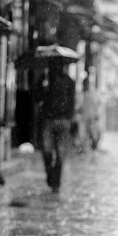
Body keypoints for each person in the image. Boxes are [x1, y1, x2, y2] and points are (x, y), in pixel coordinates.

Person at [37, 63, 75, 193]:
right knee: (49, 150)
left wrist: (68, 118)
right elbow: (38, 97)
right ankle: (52, 176)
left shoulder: (68, 81)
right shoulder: (46, 79)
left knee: (58, 152)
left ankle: (55, 181)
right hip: (51, 120)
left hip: (61, 121)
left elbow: (71, 101)